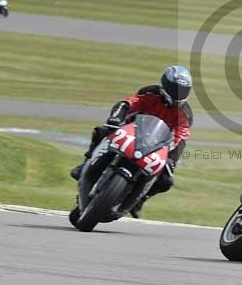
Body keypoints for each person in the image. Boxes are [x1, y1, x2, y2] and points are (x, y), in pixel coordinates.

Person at [71, 65, 194, 218]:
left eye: (182, 90)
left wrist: (171, 159)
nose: (178, 94)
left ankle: (140, 199)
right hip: (131, 132)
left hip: (155, 145)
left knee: (166, 180)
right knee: (102, 131)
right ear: (164, 84)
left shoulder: (185, 113)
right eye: (174, 88)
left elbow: (181, 137)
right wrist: (115, 118)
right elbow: (127, 103)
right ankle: (86, 162)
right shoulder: (150, 92)